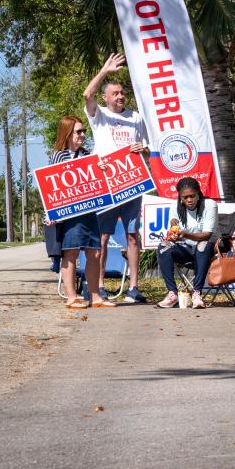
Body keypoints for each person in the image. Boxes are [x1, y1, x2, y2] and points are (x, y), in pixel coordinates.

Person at [83, 53, 150, 303]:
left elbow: (147, 148)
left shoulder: (135, 117)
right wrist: (104, 71)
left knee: (133, 236)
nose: (120, 97)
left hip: (132, 183)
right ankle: (99, 287)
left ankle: (133, 287)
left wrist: (142, 149)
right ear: (106, 97)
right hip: (107, 184)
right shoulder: (98, 115)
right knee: (102, 237)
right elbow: (87, 95)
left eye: (122, 93)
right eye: (115, 93)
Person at [48, 116, 117, 309]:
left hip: (89, 212)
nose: (83, 135)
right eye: (79, 131)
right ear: (68, 133)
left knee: (94, 253)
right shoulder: (58, 156)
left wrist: (101, 170)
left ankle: (95, 296)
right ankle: (71, 297)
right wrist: (51, 213)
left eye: (84, 131)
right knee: (70, 253)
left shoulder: (88, 155)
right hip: (69, 214)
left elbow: (98, 183)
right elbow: (51, 186)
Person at [156, 177, 218, 309]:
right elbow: (174, 223)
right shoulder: (175, 206)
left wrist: (185, 234)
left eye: (192, 196)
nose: (189, 200)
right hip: (186, 249)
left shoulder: (210, 204)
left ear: (198, 193)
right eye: (185, 197)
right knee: (163, 246)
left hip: (206, 250)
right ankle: (172, 294)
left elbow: (207, 234)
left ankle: (196, 294)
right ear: (180, 197)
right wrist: (174, 232)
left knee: (203, 245)